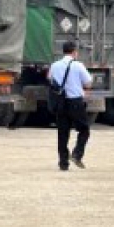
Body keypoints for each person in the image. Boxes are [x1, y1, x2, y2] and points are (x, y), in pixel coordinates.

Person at [48, 41, 93, 171]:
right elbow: (88, 82)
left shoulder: (55, 65)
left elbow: (51, 79)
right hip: (75, 102)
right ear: (74, 52)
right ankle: (77, 154)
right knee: (84, 129)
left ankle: (63, 163)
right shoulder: (78, 65)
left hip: (60, 102)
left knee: (62, 133)